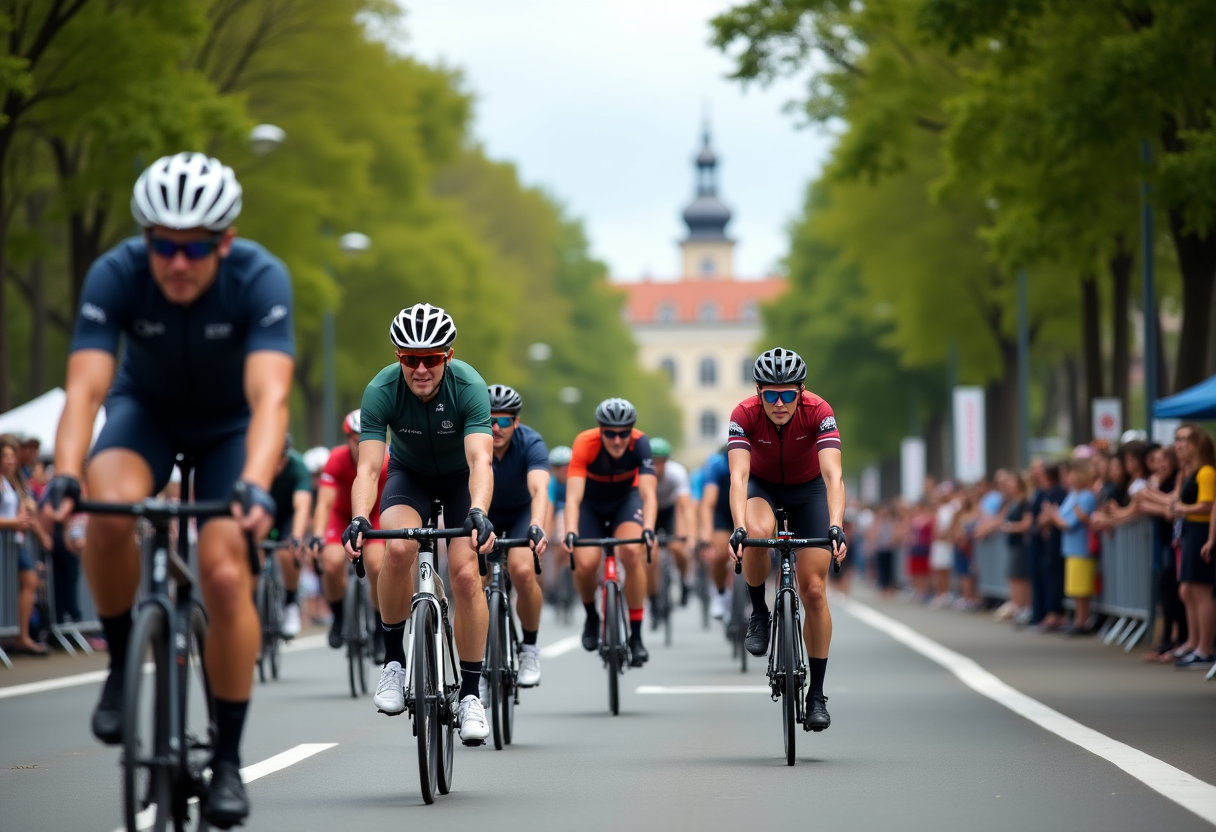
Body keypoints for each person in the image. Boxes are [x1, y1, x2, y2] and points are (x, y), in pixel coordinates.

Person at [39, 153, 294, 827]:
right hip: (143, 412)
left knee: (224, 571)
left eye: (195, 247)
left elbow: (271, 399)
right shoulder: (116, 273)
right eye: (163, 245)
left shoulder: (260, 277)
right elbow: (85, 390)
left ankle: (230, 762)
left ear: (225, 242)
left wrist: (255, 485)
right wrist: (64, 474)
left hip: (228, 430)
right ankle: (123, 665)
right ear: (144, 238)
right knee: (109, 509)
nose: (177, 262)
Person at [343, 303, 495, 745]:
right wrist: (358, 518)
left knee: (466, 576)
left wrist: (479, 511)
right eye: (411, 359)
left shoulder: (469, 386)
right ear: (399, 359)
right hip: (408, 478)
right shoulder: (380, 390)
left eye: (432, 358)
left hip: (462, 481)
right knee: (397, 549)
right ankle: (393, 662)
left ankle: (470, 695)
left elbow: (480, 459)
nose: (422, 368)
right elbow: (370, 469)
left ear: (447, 356)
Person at [726, 347, 847, 731]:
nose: (780, 403)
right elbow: (739, 478)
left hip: (808, 490)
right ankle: (759, 611)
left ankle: (817, 695)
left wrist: (836, 524)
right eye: (771, 395)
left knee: (813, 590)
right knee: (758, 534)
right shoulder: (743, 415)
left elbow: (833, 476)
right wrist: (739, 527)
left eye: (788, 394)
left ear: (802, 391)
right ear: (759, 392)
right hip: (763, 488)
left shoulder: (819, 411)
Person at [561, 397, 658, 666]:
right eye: (610, 434)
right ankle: (592, 616)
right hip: (590, 505)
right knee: (586, 563)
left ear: (632, 431)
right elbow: (573, 498)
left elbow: (649, 494)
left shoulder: (641, 443)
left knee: (630, 550)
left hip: (626, 501)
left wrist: (648, 528)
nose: (617, 440)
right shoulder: (585, 442)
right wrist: (570, 530)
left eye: (623, 433)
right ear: (600, 430)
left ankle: (636, 636)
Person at [484, 384, 549, 688]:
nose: (496, 427)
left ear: (517, 422)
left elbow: (539, 489)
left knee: (522, 571)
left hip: (522, 512)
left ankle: (530, 648)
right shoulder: (470, 441)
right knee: (473, 580)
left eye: (504, 421)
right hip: (483, 514)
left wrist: (537, 523)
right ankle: (480, 662)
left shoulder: (531, 443)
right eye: (488, 420)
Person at [310, 410, 389, 653]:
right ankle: (339, 616)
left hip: (374, 514)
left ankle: (379, 629)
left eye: (368, 439)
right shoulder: (336, 459)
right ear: (348, 440)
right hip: (342, 514)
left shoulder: (386, 460)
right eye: (357, 440)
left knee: (376, 565)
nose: (363, 445)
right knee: (332, 562)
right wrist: (317, 535)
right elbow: (324, 503)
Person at [1169, 424, 1215, 668]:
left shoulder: (1206, 472)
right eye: (1177, 440)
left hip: (1200, 530)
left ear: (1197, 444)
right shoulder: (1190, 472)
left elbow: (1208, 505)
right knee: (1188, 591)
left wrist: (1183, 509)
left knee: (1201, 591)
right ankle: (1194, 642)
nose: (1179, 445)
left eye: (1184, 440)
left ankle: (1204, 648)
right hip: (1190, 531)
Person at [1, 436, 48, 656]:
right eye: (6, 456)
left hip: (14, 542)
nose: (10, 460)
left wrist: (24, 515)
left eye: (12, 456)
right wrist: (14, 522)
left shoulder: (12, 481)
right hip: (6, 540)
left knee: (29, 581)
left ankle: (21, 636)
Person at [1044, 460, 1098, 635]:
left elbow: (1068, 522)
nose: (1069, 478)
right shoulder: (1073, 494)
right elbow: (1063, 516)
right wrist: (1055, 515)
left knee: (1081, 588)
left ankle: (1082, 621)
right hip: (1071, 547)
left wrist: (1053, 515)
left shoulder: (1087, 496)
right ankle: (1077, 619)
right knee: (1074, 588)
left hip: (1081, 547)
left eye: (1073, 475)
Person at [267, 434, 313, 639]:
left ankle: (290, 603)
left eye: (279, 459)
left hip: (288, 515)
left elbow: (302, 506)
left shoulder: (297, 467)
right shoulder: (258, 462)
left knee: (288, 551)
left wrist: (296, 536)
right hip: (264, 513)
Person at [647, 437, 695, 615]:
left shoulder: (677, 473)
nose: (656, 467)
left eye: (660, 462)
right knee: (649, 556)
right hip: (648, 511)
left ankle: (684, 580)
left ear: (667, 461)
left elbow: (685, 507)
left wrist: (689, 535)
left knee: (677, 548)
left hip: (669, 511)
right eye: (653, 462)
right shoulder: (640, 474)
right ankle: (652, 600)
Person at [698, 448, 734, 620]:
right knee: (720, 554)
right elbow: (708, 504)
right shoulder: (717, 464)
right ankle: (720, 593)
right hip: (722, 513)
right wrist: (706, 533)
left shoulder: (756, 457)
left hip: (749, 507)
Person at [544, 445, 571, 581]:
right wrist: (546, 536)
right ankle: (555, 580)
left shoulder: (575, 482)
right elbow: (549, 510)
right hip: (557, 518)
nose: (564, 470)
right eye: (559, 466)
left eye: (567, 466)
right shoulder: (552, 484)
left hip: (573, 517)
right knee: (558, 541)